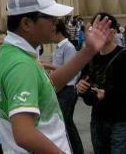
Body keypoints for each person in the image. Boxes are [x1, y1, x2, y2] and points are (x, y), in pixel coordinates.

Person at [0, 0, 112, 153]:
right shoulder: (20, 65)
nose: (56, 24)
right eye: (51, 18)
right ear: (26, 23)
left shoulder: (8, 53)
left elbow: (47, 85)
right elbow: (24, 134)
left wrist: (88, 51)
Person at [77, 13, 126, 154]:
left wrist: (108, 93)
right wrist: (81, 88)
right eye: (95, 30)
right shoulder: (92, 57)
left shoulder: (125, 56)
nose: (97, 34)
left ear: (112, 32)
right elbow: (84, 80)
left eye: (102, 30)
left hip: (120, 121)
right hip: (97, 120)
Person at [51, 20, 83, 154]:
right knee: (64, 121)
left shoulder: (68, 47)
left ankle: (76, 149)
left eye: (52, 32)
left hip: (68, 89)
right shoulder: (58, 47)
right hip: (60, 88)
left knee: (66, 121)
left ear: (58, 32)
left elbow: (69, 69)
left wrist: (47, 65)